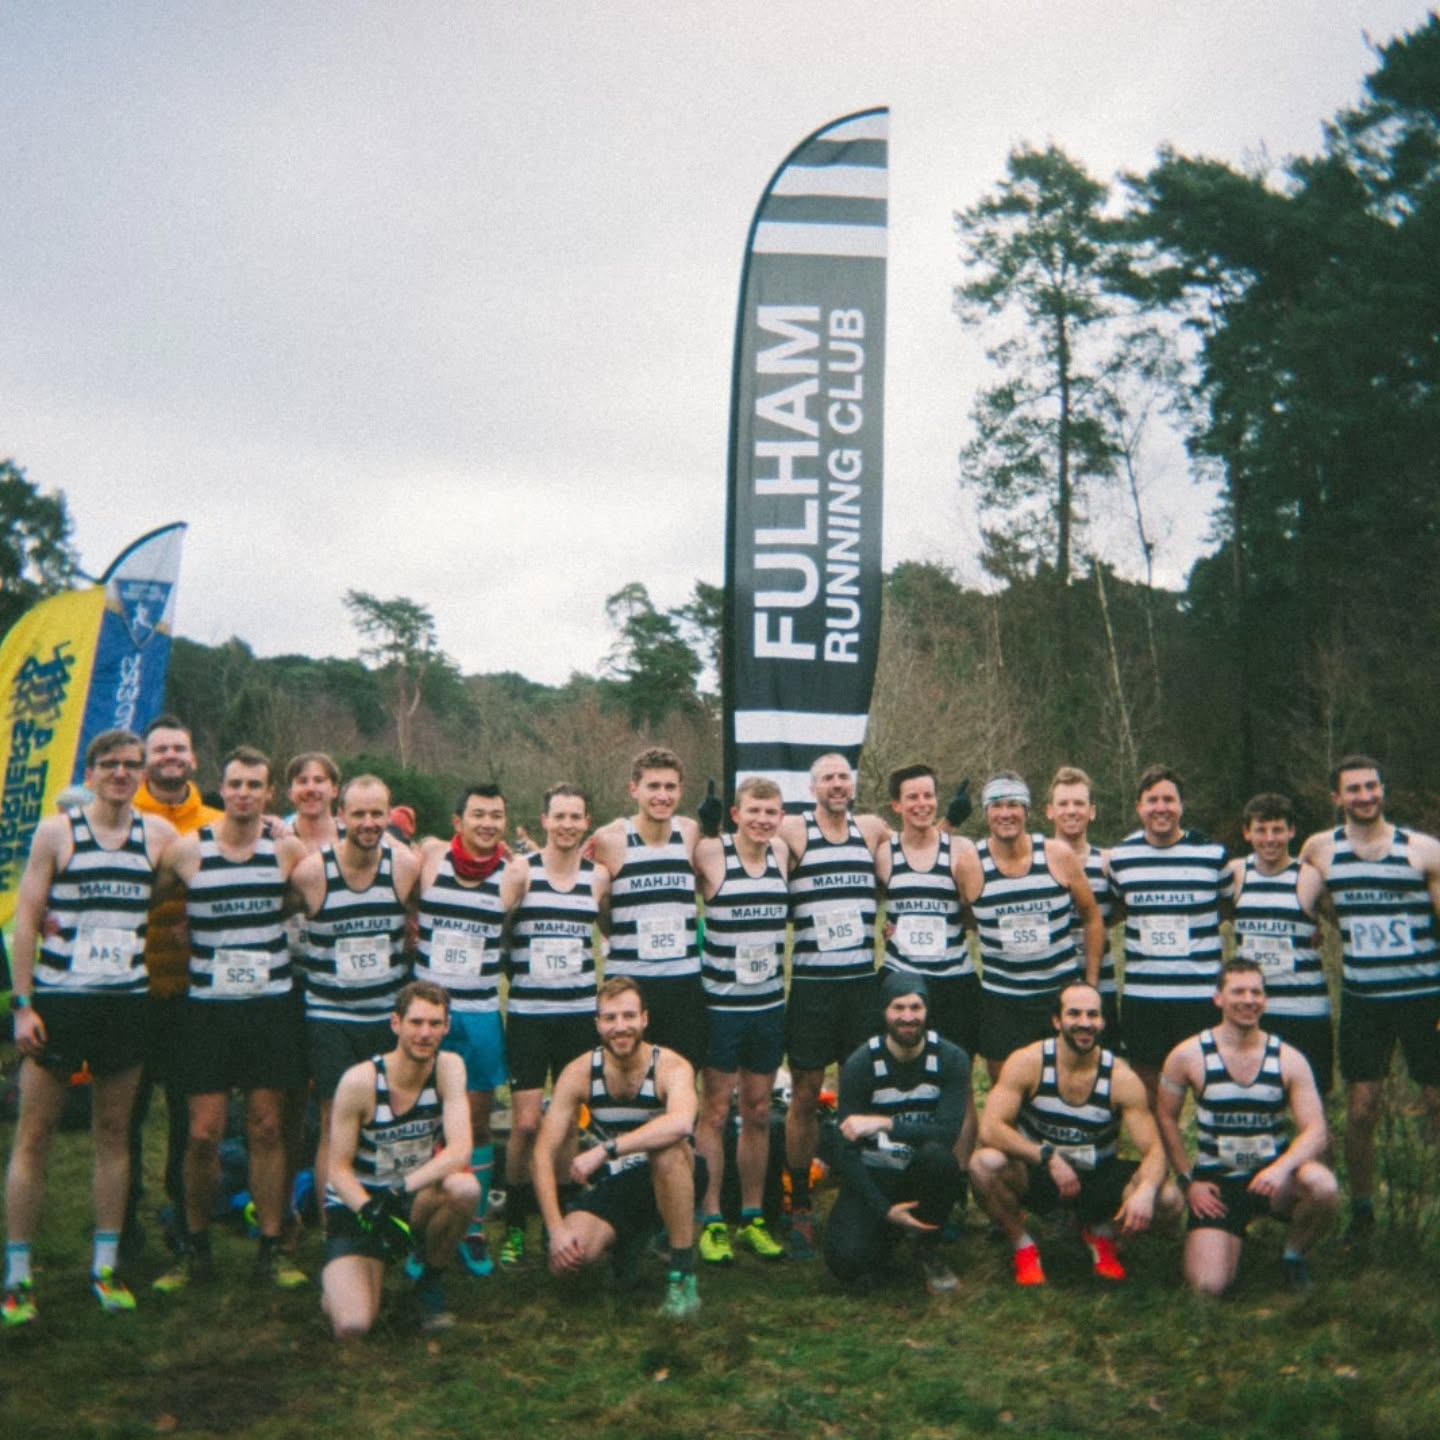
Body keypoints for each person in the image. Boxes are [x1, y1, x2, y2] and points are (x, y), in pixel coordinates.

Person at [3, 730, 177, 1325]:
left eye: (133, 766)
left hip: (125, 1003)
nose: (123, 774)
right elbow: (26, 918)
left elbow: (202, 864)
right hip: (61, 1001)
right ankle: (18, 1275)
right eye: (111, 765)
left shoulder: (157, 835)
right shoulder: (58, 833)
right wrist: (23, 1005)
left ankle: (104, 1267)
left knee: (113, 1134)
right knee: (34, 1136)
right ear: (93, 770)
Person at [149, 746, 310, 1293]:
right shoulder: (186, 852)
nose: (244, 793)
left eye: (255, 785)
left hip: (270, 1008)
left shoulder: (287, 850)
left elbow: (318, 894)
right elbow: (140, 901)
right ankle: (194, 1248)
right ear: (223, 790)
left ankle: (272, 1246)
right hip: (207, 1013)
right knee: (202, 1133)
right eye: (236, 784)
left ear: (269, 795)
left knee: (267, 1127)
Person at [1299, 755, 1440, 1246]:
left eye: (1371, 786)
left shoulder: (1422, 850)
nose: (1364, 796)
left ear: (1383, 789)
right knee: (1361, 1111)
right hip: (1364, 1001)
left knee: (1436, 1101)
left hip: (1424, 997)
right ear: (1336, 798)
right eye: (1353, 789)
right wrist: (1320, 923)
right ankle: (1363, 1214)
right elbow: (1302, 894)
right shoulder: (1321, 848)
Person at [969, 981, 1178, 1286]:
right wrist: (1047, 1156)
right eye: (1074, 1014)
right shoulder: (1029, 1062)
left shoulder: (1120, 1077)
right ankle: (1023, 1244)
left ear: (1103, 1022)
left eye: (1093, 1015)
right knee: (983, 1165)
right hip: (1040, 1173)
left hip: (1097, 1175)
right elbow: (990, 1128)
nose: (1084, 1023)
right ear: (1057, 1020)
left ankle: (1104, 1234)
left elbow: (1156, 1150)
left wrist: (1145, 1192)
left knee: (1169, 1199)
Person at [1157, 959, 1338, 1295]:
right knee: (1208, 1288)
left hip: (1274, 1181)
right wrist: (1188, 1181)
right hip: (1218, 1184)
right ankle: (1228, 1235)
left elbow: (1316, 1130)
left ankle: (1293, 1255)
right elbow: (1165, 1116)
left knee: (1323, 1186)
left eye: (1256, 992)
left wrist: (1281, 1169)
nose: (1248, 1000)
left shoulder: (1288, 1058)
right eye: (1238, 991)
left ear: (1266, 1000)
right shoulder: (1188, 1055)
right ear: (1218, 999)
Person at [532, 978, 703, 1319]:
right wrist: (556, 1230)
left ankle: (683, 1279)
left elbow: (682, 1124)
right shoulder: (580, 1071)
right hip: (617, 1183)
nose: (620, 1027)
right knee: (570, 1263)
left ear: (644, 1019)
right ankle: (631, 1241)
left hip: (675, 1175)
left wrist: (606, 1149)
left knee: (667, 1150)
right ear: (597, 1024)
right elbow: (541, 1154)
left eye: (628, 1016)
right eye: (610, 1018)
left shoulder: (670, 1065)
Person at [778, 752, 890, 1258]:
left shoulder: (870, 830)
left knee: (858, 1093)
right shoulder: (796, 832)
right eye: (827, 778)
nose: (838, 784)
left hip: (861, 986)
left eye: (844, 776)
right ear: (813, 787)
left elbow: (913, 848)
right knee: (804, 1092)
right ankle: (798, 1201)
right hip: (813, 987)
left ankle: (857, 1191)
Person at [320, 981, 479, 1337]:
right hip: (360, 1208)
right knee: (354, 1325)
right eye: (416, 1023)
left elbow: (460, 1151)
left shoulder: (448, 1068)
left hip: (408, 1197)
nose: (425, 1033)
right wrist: (370, 1211)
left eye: (435, 1024)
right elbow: (337, 1168)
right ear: (396, 1023)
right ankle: (345, 1279)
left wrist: (399, 1190)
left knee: (464, 1188)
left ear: (447, 1027)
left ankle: (429, 1281)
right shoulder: (360, 1081)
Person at [289, 775, 420, 1201]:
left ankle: (391, 1213)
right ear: (340, 815)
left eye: (377, 813)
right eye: (358, 813)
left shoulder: (404, 867)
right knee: (335, 1122)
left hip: (388, 1015)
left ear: (389, 815)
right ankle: (336, 1231)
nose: (368, 822)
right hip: (331, 1017)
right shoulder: (311, 873)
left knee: (394, 1117)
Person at [499, 783, 609, 1267]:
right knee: (525, 1123)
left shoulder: (598, 877)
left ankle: (560, 1217)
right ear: (543, 820)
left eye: (576, 817)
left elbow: (609, 929)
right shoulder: (521, 871)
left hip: (578, 1015)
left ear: (587, 822)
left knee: (566, 1126)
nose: (567, 824)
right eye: (558, 816)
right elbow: (498, 931)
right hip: (528, 1015)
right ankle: (519, 1221)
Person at [125, 714, 222, 1257]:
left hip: (193, 990)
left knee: (190, 1115)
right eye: (159, 749)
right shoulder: (122, 812)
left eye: (178, 748)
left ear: (193, 759)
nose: (169, 757)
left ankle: (184, 1214)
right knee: (127, 1114)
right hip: (133, 987)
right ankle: (124, 1224)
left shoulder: (213, 819)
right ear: (146, 759)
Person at [414, 784, 513, 1276]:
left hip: (478, 1013)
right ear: (458, 821)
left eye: (496, 815)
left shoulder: (513, 874)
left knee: (475, 1122)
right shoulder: (429, 859)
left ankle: (472, 1227)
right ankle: (421, 1221)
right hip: (427, 1015)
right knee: (420, 1121)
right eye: (478, 814)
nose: (487, 823)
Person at [694, 776, 791, 1265]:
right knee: (714, 1111)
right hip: (721, 1007)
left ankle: (753, 1215)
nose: (762, 820)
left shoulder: (784, 854)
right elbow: (670, 853)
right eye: (753, 810)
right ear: (736, 814)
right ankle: (711, 1218)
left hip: (769, 1004)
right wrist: (700, 823)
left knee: (757, 1111)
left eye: (771, 812)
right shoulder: (713, 854)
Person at [823, 974, 969, 1294]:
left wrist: (885, 1123)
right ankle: (889, 1232)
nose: (907, 1017)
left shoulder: (951, 1058)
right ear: (884, 1012)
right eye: (898, 1007)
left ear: (927, 1011)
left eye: (916, 1007)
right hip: (877, 1174)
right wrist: (882, 1208)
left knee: (938, 1159)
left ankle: (929, 1245)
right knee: (844, 1260)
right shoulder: (862, 1063)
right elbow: (844, 1148)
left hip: (923, 1173)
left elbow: (946, 1134)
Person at [955, 773, 1103, 1081]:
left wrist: (1089, 985)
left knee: (1066, 1084)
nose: (1006, 813)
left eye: (1014, 805)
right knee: (1007, 1087)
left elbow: (1091, 918)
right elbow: (965, 917)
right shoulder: (969, 864)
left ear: (1027, 811)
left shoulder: (1057, 855)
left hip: (1058, 994)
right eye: (996, 805)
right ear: (986, 813)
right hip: (1002, 1000)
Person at [1105, 765, 1234, 1109]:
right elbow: (1116, 909)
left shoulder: (1212, 855)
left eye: (1169, 799)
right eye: (1152, 800)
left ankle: (1207, 1163)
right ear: (1138, 807)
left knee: (1211, 1090)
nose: (1161, 807)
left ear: (1182, 805)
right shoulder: (1121, 859)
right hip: (1144, 997)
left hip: (1201, 996)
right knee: (1149, 1096)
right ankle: (1160, 1163)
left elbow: (1228, 906)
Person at [592, 748, 705, 1070]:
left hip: (683, 983)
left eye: (670, 787)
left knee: (682, 1078)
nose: (662, 796)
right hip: (631, 983)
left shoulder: (690, 832)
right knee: (625, 1080)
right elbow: (601, 908)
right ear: (634, 789)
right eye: (653, 786)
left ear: (681, 791)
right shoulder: (610, 839)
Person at [1230, 793, 1332, 1095]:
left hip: (1305, 1010)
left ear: (1292, 831)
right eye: (1261, 830)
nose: (1270, 839)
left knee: (1313, 1102)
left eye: (1278, 830)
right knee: (1253, 1098)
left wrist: (1318, 926)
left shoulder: (1311, 877)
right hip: (1252, 1011)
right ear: (1247, 832)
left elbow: (1342, 921)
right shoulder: (1236, 874)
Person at [1046, 766, 1120, 1050]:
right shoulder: (1038, 860)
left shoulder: (1108, 862)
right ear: (1050, 811)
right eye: (1063, 803)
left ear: (1092, 811)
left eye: (1079, 803)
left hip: (1101, 985)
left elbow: (1119, 910)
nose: (1071, 810)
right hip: (1053, 988)